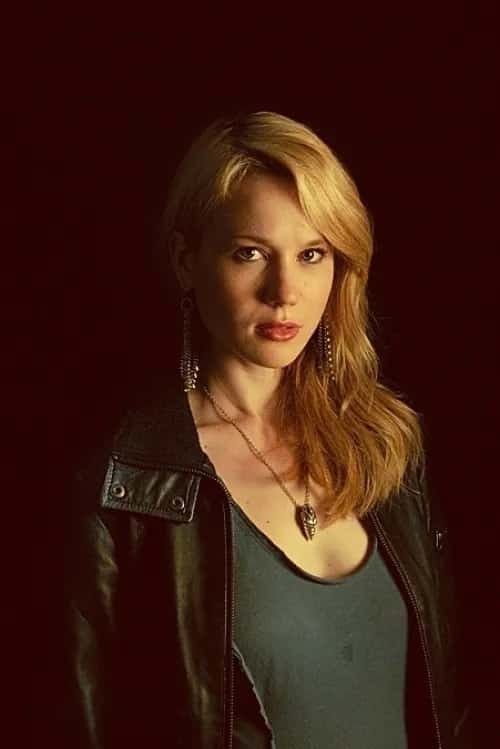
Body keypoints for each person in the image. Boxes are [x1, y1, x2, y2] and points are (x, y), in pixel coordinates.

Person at [61, 111, 470, 748]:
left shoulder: (387, 449)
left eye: (311, 254)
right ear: (186, 260)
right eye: (249, 253)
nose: (284, 291)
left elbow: (453, 702)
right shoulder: (126, 485)